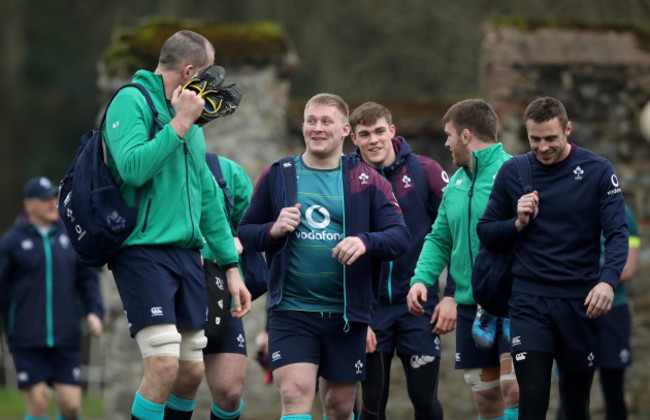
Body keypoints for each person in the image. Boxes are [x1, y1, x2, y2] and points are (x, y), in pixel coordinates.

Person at [102, 30, 251, 420]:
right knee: (164, 366)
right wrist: (180, 124)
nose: (213, 85)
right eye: (208, 74)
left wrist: (231, 267)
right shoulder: (130, 102)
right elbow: (132, 169)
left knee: (190, 372)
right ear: (189, 72)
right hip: (142, 252)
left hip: (188, 257)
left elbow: (207, 200)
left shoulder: (192, 123)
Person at [238, 93, 410, 420]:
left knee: (339, 407)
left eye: (326, 121)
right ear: (302, 126)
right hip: (292, 310)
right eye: (311, 121)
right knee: (294, 393)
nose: (317, 128)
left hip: (346, 316)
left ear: (346, 130)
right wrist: (273, 230)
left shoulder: (367, 181)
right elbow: (245, 231)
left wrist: (365, 242)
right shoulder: (279, 174)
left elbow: (400, 237)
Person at [476, 96, 629, 420]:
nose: (543, 147)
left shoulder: (598, 171)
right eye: (535, 140)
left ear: (568, 129)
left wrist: (607, 282)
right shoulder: (513, 172)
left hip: (580, 301)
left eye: (551, 139)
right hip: (529, 302)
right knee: (531, 399)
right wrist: (516, 223)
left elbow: (618, 235)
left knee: (575, 404)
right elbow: (486, 232)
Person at [407, 99, 520, 420]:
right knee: (486, 399)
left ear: (466, 136)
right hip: (472, 307)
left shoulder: (514, 173)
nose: (446, 142)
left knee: (515, 389)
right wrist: (421, 280)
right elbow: (439, 239)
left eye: (449, 135)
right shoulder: (455, 183)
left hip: (515, 304)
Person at [348, 101, 448, 420]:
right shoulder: (345, 177)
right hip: (369, 307)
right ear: (353, 138)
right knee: (371, 405)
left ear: (392, 132)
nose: (373, 140)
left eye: (379, 131)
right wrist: (351, 311)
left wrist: (454, 296)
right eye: (364, 134)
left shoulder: (425, 171)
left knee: (424, 400)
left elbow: (456, 235)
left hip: (418, 304)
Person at [0, 176, 104, 420]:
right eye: (44, 199)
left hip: (65, 338)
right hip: (26, 340)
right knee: (38, 402)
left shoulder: (71, 238)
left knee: (71, 408)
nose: (51, 204)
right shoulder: (12, 242)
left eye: (52, 198)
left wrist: (94, 312)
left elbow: (88, 281)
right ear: (29, 205)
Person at [556, 204, 639, 420]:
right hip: (574, 310)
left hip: (613, 310)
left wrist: (586, 276)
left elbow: (628, 268)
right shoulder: (567, 207)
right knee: (570, 391)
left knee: (613, 389)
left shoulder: (624, 213)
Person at [203, 152, 270, 420]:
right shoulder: (160, 164)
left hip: (221, 290)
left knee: (230, 392)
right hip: (176, 286)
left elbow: (251, 225)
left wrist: (240, 239)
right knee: (179, 381)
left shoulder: (226, 171)